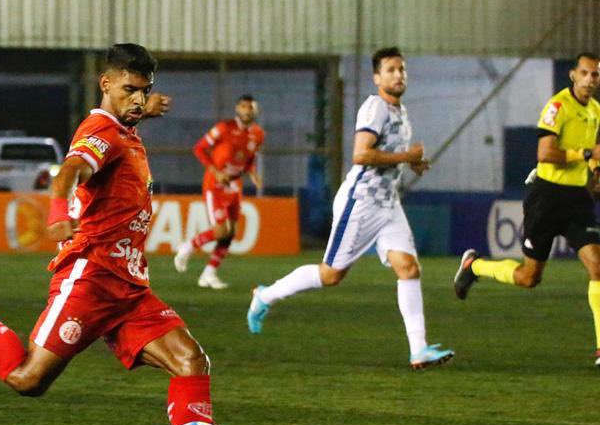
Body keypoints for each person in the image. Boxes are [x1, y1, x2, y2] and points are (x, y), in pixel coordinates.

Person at [0, 44, 255, 425]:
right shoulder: (100, 131)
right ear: (105, 83)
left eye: (144, 90)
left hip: (129, 287)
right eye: (129, 89)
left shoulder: (124, 128)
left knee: (192, 362)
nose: (137, 98)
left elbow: (124, 120)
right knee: (27, 380)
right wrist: (56, 210)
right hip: (88, 279)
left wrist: (141, 110)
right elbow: (70, 169)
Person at [247, 47, 454, 371]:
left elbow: (389, 154)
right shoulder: (375, 107)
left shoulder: (400, 111)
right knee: (331, 275)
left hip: (388, 204)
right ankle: (265, 296)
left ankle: (419, 350)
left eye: (401, 69)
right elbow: (361, 154)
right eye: (390, 70)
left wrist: (412, 164)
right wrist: (405, 158)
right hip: (362, 203)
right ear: (377, 78)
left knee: (409, 269)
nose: (398, 75)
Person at [454, 52, 600, 365]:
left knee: (598, 267)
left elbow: (589, 157)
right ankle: (474, 266)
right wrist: (587, 152)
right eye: (585, 73)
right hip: (546, 197)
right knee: (528, 278)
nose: (590, 80)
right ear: (573, 75)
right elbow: (545, 152)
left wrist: (595, 169)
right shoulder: (557, 107)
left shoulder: (596, 111)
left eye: (595, 75)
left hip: (577, 200)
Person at [174, 95, 265, 288]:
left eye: (250, 107)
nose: (247, 110)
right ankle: (188, 247)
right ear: (237, 108)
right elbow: (199, 148)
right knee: (220, 230)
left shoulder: (258, 134)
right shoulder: (224, 128)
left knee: (230, 233)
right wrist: (215, 170)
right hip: (215, 184)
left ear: (255, 110)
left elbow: (248, 159)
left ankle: (208, 274)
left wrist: (253, 173)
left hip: (234, 185)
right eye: (243, 106)